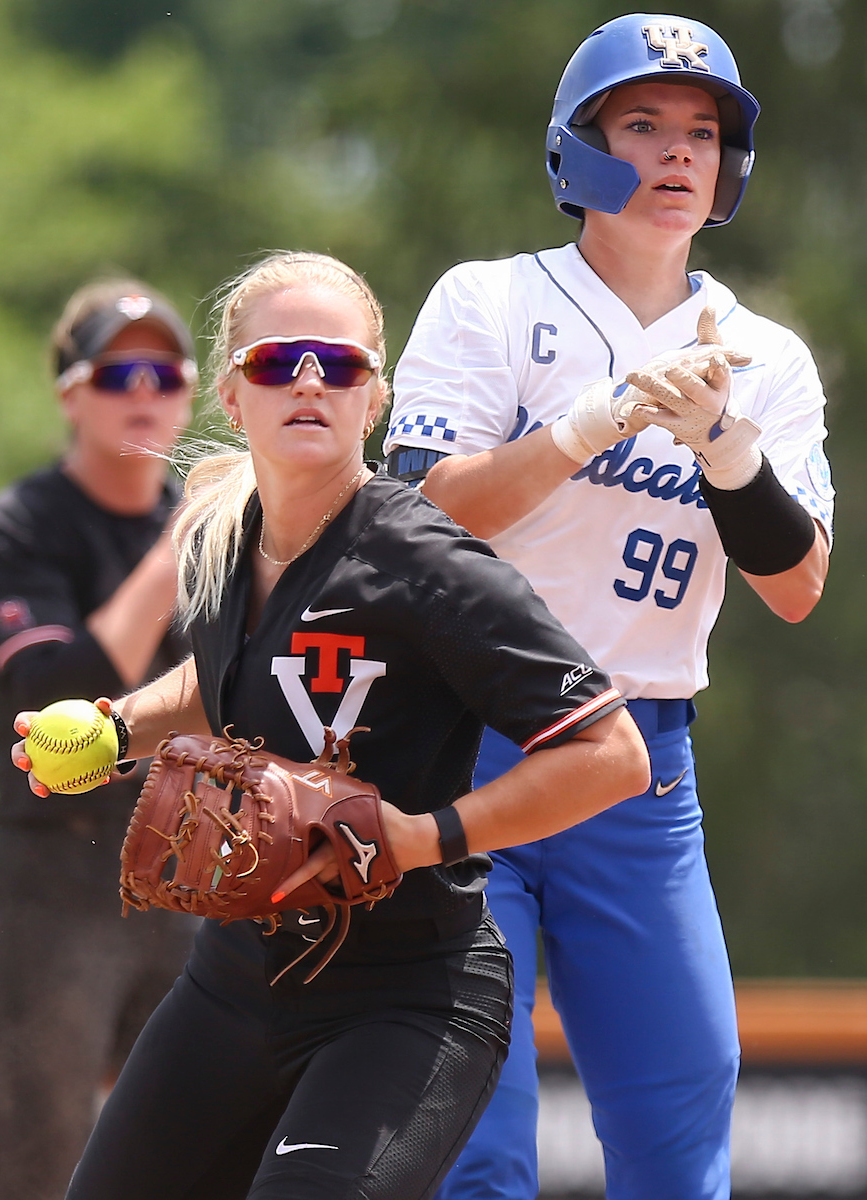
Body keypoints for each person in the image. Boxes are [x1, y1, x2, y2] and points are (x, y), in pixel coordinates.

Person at [12, 250, 650, 1200]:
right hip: (234, 984)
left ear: (374, 395)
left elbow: (614, 756)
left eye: (339, 364)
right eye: (277, 361)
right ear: (233, 394)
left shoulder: (427, 563)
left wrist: (424, 836)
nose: (309, 381)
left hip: (407, 997)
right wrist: (115, 728)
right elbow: (227, 672)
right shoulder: (225, 538)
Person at [384, 15, 832, 1200]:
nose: (678, 151)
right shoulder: (490, 302)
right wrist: (597, 419)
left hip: (643, 762)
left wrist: (727, 453)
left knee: (682, 1127)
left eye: (702, 131)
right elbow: (414, 524)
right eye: (642, 124)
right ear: (578, 148)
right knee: (475, 1135)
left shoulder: (765, 357)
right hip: (468, 744)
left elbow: (797, 589)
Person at [0, 279, 200, 1200]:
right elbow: (57, 707)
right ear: (70, 394)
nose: (146, 391)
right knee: (17, 1174)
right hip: (45, 891)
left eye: (167, 373)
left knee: (197, 1164)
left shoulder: (232, 534)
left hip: (186, 883)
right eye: (119, 371)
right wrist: (176, 550)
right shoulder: (21, 529)